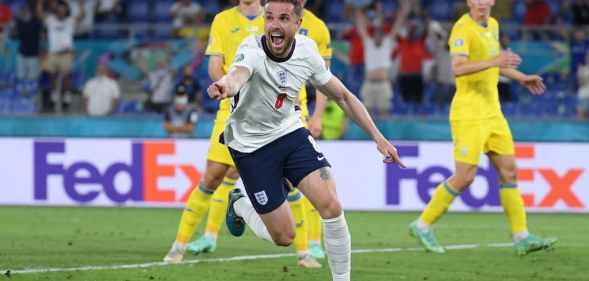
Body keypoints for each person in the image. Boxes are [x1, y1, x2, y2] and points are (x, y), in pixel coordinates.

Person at [207, 2, 403, 281]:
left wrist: (379, 139)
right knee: (285, 237)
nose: (275, 24)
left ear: (298, 24)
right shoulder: (250, 50)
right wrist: (225, 86)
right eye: (270, 17)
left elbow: (344, 96)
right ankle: (240, 203)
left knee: (331, 206)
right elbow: (238, 75)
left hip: (290, 133)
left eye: (284, 18)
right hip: (251, 147)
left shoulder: (307, 52)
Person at [166, 0, 330, 268]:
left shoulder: (309, 26)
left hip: (287, 114)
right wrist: (236, 91)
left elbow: (323, 78)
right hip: (235, 109)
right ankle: (180, 245)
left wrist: (317, 114)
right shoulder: (225, 21)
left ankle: (305, 251)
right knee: (213, 176)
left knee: (291, 181)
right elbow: (215, 68)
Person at [408, 0, 557, 256]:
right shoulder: (462, 29)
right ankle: (422, 224)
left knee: (509, 173)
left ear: (492, 1)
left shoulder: (494, 25)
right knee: (465, 177)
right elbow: (458, 68)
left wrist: (522, 78)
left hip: (493, 113)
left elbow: (497, 63)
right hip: (469, 114)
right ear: (469, 2)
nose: (480, 3)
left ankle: (521, 236)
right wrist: (494, 60)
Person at [355, 2, 409, 118]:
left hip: (383, 84)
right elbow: (360, 26)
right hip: (369, 83)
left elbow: (397, 25)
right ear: (373, 36)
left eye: (380, 34)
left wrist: (403, 12)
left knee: (385, 113)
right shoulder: (368, 43)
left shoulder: (387, 43)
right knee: (366, 115)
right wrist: (359, 9)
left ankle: (384, 136)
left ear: (383, 35)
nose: (378, 36)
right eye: (376, 34)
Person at [37, 0, 85, 112]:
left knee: (67, 77)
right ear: (56, 11)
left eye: (63, 10)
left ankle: (66, 99)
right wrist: (40, 3)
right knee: (52, 76)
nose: (61, 12)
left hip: (67, 54)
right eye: (59, 10)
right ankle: (53, 99)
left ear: (66, 11)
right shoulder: (50, 20)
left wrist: (81, 5)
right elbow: (39, 14)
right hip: (53, 54)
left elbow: (82, 16)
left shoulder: (70, 21)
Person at [14, 3, 43, 92]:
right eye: (22, 11)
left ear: (31, 12)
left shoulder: (37, 22)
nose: (23, 12)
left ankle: (32, 97)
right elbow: (15, 34)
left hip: (34, 55)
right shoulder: (19, 23)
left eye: (26, 10)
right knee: (20, 77)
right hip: (22, 53)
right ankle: (21, 96)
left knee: (32, 78)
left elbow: (40, 18)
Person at [577, 52, 589, 120]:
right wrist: (579, 73)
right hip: (583, 94)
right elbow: (580, 83)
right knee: (581, 116)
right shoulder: (582, 69)